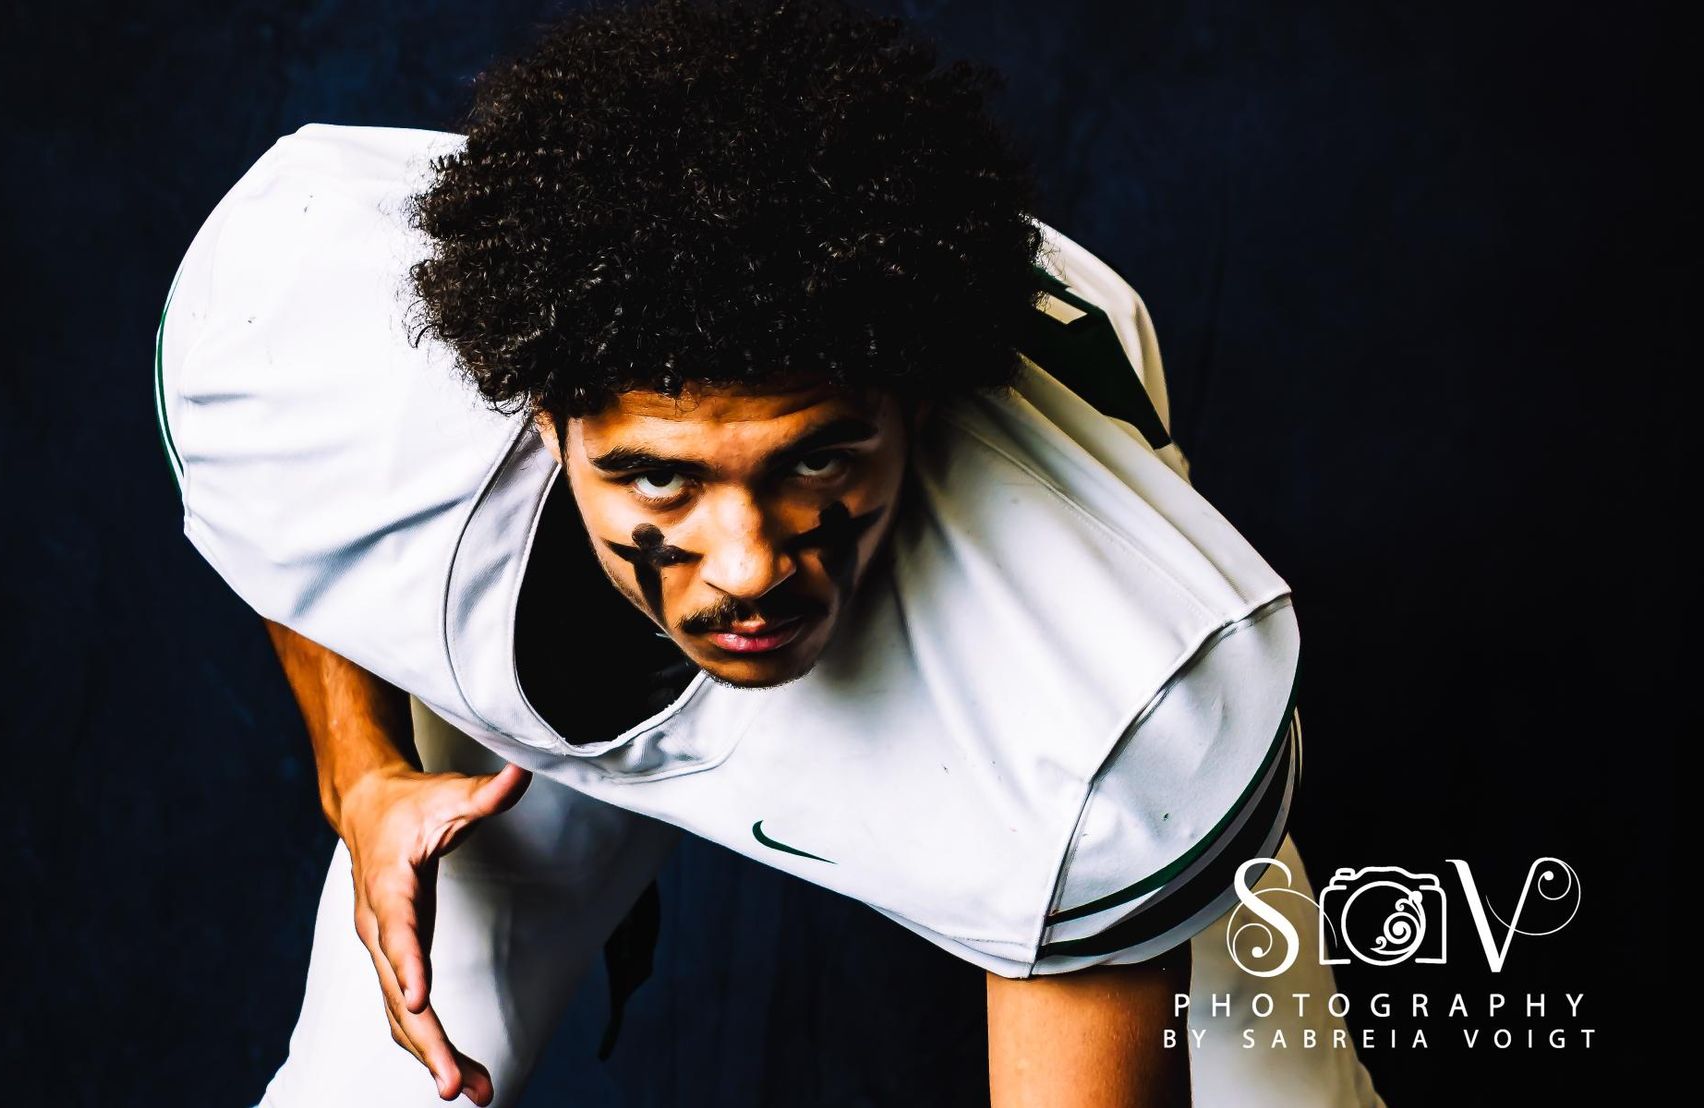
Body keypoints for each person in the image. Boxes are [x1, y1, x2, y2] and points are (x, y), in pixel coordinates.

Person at [155, 2, 1386, 1104]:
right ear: (545, 420)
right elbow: (296, 514)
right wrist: (361, 771)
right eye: (656, 474)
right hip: (540, 743)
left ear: (917, 406)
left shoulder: (1082, 707)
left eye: (813, 460)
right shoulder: (330, 376)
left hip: (1051, 731)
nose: (745, 567)